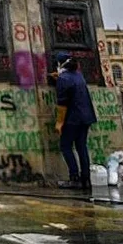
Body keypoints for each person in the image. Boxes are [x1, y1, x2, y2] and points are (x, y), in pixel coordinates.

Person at [54, 51, 98, 189]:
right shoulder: (79, 75)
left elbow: (62, 104)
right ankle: (86, 179)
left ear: (60, 64)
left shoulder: (63, 79)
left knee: (65, 146)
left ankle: (74, 177)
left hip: (73, 119)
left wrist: (59, 122)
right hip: (86, 117)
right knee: (81, 147)